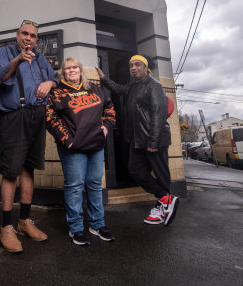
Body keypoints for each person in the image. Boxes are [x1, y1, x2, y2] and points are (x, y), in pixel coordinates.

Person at [0, 20, 59, 253]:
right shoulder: (4, 52)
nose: (28, 38)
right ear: (17, 34)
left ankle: (24, 221)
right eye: (24, 34)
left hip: (36, 115)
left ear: (36, 39)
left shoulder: (41, 58)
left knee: (29, 168)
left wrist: (50, 81)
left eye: (33, 35)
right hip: (13, 116)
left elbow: (56, 79)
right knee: (11, 171)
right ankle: (6, 225)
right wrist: (17, 61)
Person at [96, 55, 179, 226]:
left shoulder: (154, 85)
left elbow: (158, 114)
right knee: (135, 170)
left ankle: (161, 208)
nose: (133, 68)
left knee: (162, 176)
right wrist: (104, 78)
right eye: (131, 65)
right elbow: (119, 89)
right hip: (137, 140)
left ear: (145, 67)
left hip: (153, 139)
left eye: (137, 65)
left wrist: (154, 141)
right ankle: (166, 199)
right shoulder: (133, 86)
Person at [46, 58, 116, 245]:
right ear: (63, 72)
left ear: (80, 69)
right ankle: (76, 228)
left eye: (75, 67)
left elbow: (109, 108)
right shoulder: (57, 92)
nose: (71, 70)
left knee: (94, 184)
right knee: (75, 186)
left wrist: (106, 127)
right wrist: (67, 141)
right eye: (67, 68)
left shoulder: (95, 88)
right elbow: (51, 118)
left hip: (96, 145)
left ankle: (97, 224)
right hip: (73, 148)